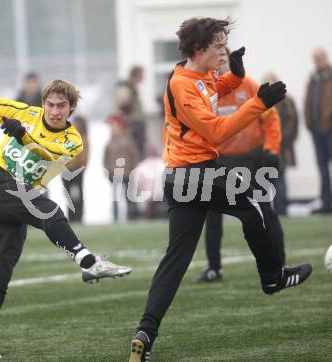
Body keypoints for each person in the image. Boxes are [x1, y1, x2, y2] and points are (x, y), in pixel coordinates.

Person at [128, 18, 312, 362]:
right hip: (197, 175)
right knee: (256, 204)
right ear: (199, 49)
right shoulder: (182, 85)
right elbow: (216, 132)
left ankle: (145, 332)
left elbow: (216, 88)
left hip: (182, 178)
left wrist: (238, 76)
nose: (223, 51)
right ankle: (273, 277)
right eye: (218, 46)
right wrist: (258, 103)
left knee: (175, 260)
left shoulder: (199, 74)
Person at [0, 78, 132, 359]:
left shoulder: (72, 140)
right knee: (49, 210)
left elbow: (49, 153)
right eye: (50, 104)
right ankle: (89, 262)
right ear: (43, 104)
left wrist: (24, 137)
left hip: (15, 203)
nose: (54, 111)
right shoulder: (24, 113)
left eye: (61, 106)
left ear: (71, 108)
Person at [196, 51, 286, 283]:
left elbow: (271, 119)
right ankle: (214, 268)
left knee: (265, 209)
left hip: (251, 159)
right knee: (212, 214)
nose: (221, 64)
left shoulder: (249, 86)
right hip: (219, 160)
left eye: (224, 60)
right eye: (218, 61)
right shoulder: (208, 91)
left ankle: (280, 263)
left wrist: (272, 149)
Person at [264, 72, 299, 215]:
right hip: (267, 147)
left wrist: (280, 138)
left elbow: (292, 122)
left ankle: (282, 209)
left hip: (281, 147)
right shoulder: (263, 101)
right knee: (270, 179)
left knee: (280, 178)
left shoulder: (286, 100)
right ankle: (275, 210)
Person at [304, 48, 332, 213]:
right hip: (316, 130)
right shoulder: (313, 79)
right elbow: (308, 101)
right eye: (315, 59)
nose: (318, 62)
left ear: (325, 58)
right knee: (322, 167)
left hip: (329, 128)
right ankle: (326, 201)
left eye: (320, 59)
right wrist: (309, 122)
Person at [103, 114, 140, 221]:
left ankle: (132, 217)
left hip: (127, 173)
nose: (112, 127)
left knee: (129, 196)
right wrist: (107, 169)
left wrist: (132, 169)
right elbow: (105, 158)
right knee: (115, 197)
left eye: (114, 125)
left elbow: (134, 155)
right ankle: (115, 217)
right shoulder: (109, 141)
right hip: (113, 174)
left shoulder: (128, 139)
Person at [62, 115, 89, 222]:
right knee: (68, 194)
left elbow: (85, 155)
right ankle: (71, 216)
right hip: (66, 169)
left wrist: (80, 166)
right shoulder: (67, 136)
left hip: (77, 170)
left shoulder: (84, 138)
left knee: (78, 193)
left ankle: (79, 216)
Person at [116, 66, 146, 159]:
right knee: (134, 152)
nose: (143, 78)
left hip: (136, 123)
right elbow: (122, 105)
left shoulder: (132, 88)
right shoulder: (126, 88)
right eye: (142, 75)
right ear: (136, 76)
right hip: (132, 124)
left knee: (139, 151)